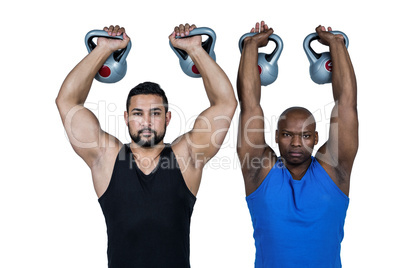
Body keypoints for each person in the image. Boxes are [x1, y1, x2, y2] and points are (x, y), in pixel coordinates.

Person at [56, 24, 237, 268]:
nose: (147, 122)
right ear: (126, 117)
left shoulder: (186, 156)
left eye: (155, 113)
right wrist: (103, 50)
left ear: (168, 118)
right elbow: (67, 102)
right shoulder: (107, 158)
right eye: (138, 113)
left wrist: (195, 50)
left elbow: (226, 103)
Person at [236, 21, 358, 267]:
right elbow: (249, 105)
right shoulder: (259, 172)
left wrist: (336, 43)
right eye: (287, 135)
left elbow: (346, 104)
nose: (295, 143)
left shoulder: (335, 171)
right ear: (276, 136)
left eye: (304, 136)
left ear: (315, 138)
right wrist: (250, 46)